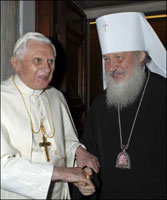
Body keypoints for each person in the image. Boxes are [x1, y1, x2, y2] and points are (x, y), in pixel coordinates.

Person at [1, 32, 100, 199]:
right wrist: (64, 173)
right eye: (37, 60)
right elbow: (2, 166)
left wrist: (79, 157)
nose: (47, 69)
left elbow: (64, 142)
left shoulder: (56, 96)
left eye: (51, 61)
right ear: (16, 64)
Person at [81, 12, 166, 199]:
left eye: (119, 57)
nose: (111, 67)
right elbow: (90, 153)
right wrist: (87, 177)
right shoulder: (100, 104)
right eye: (107, 59)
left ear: (141, 56)